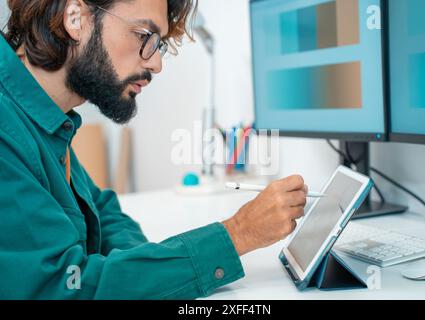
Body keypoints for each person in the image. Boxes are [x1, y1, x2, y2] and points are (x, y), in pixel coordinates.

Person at [0, 0, 307, 299]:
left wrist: (148, 272)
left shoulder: (46, 120)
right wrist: (238, 234)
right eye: (144, 36)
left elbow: (103, 214)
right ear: (75, 17)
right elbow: (62, 287)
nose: (156, 64)